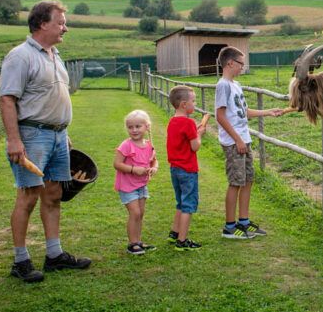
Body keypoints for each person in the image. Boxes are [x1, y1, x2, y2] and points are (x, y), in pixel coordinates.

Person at [0, 1, 91, 283]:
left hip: (57, 136)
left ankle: (54, 255)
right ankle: (20, 260)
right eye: (61, 22)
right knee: (27, 196)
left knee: (53, 195)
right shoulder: (20, 56)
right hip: (32, 135)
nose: (65, 27)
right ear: (42, 24)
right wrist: (14, 140)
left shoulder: (55, 55)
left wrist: (62, 131)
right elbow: (7, 99)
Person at [214, 47, 286, 239]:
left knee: (247, 180)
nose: (242, 68)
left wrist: (268, 112)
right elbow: (220, 116)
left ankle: (243, 222)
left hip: (244, 140)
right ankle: (229, 227)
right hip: (234, 142)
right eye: (241, 64)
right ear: (230, 63)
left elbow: (243, 112)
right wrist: (237, 139)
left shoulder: (236, 85)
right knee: (235, 182)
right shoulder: (223, 86)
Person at [166, 86, 207, 250]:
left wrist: (195, 133)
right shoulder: (189, 122)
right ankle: (182, 241)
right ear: (184, 104)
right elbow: (195, 146)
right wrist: (200, 134)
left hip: (175, 169)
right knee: (188, 205)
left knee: (180, 202)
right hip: (188, 170)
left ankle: (174, 233)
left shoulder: (173, 121)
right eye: (193, 101)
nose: (195, 104)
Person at [114, 109, 159, 255]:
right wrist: (133, 169)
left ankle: (139, 241)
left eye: (138, 126)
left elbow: (154, 161)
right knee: (135, 213)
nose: (134, 130)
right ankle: (132, 244)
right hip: (127, 187)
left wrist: (154, 168)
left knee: (141, 213)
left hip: (141, 185)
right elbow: (117, 164)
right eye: (130, 127)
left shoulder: (149, 145)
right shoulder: (126, 145)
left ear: (147, 127)